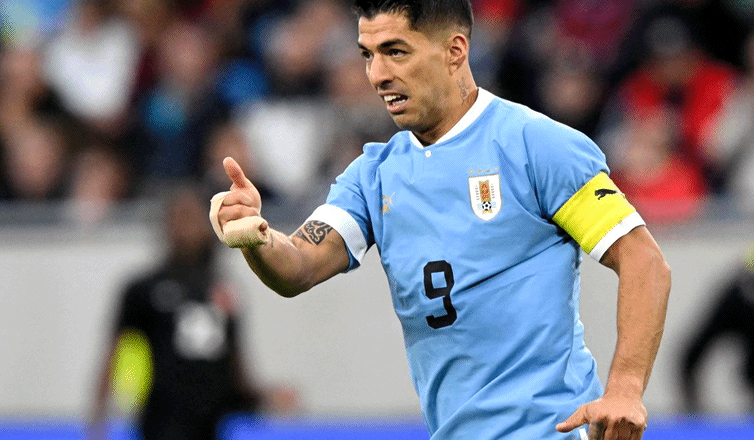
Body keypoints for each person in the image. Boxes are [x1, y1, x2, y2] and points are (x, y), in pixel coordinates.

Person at [209, 1, 671, 439]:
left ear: (455, 51)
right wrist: (255, 235)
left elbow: (644, 261)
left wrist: (625, 389)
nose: (377, 75)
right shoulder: (374, 175)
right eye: (368, 55)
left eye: (395, 52)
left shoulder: (536, 145)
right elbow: (297, 266)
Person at [91, 182, 294, 440]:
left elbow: (235, 369)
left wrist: (265, 396)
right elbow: (114, 350)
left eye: (191, 217)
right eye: (178, 217)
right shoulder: (143, 289)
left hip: (211, 424)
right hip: (161, 421)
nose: (185, 227)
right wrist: (98, 412)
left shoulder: (224, 291)